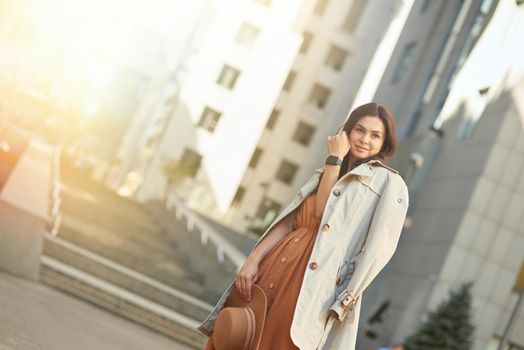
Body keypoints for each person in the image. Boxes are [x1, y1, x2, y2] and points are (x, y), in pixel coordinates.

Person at [198, 102, 409, 350]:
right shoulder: (328, 171)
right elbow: (289, 222)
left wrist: (348, 296)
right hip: (272, 268)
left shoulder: (388, 183)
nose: (364, 139)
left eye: (375, 135)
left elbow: (370, 244)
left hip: (310, 283)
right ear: (347, 132)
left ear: (385, 143)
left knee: (277, 342)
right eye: (359, 130)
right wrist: (253, 259)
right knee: (240, 336)